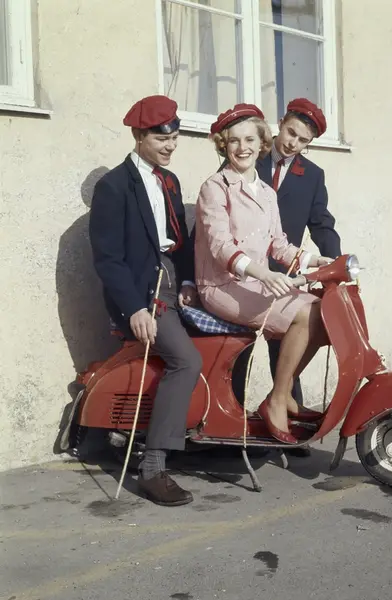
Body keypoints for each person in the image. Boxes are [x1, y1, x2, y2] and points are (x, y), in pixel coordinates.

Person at [194, 103, 332, 443]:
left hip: (255, 282)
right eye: (234, 141)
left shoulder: (267, 193)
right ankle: (278, 400)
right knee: (307, 313)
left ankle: (280, 394)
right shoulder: (215, 187)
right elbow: (220, 246)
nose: (242, 148)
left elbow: (278, 244)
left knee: (325, 313)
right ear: (224, 145)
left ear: (261, 143)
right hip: (221, 285)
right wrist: (264, 274)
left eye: (249, 140)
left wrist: (316, 261)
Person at [89, 95, 202, 507]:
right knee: (186, 360)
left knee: (231, 337)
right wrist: (135, 307)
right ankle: (153, 468)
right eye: (161, 138)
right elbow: (108, 259)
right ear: (139, 135)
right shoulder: (114, 187)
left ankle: (211, 433)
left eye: (174, 137)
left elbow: (179, 242)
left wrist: (187, 281)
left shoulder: (169, 181)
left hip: (173, 284)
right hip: (142, 293)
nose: (170, 145)